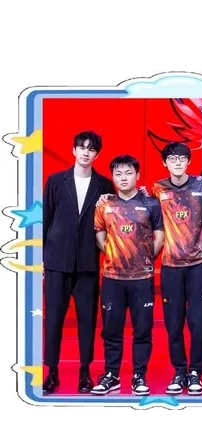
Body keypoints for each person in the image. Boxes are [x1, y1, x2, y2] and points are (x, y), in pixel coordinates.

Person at [42, 130, 115, 394]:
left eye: (91, 149)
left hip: (87, 263)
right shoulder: (56, 181)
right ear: (74, 150)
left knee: (87, 320)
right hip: (56, 262)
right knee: (53, 320)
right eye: (82, 147)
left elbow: (111, 221)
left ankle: (85, 372)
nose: (86, 152)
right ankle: (51, 372)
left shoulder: (105, 185)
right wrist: (43, 260)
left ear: (97, 154)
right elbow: (46, 219)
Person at [91, 155, 164, 395]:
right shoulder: (104, 204)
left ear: (137, 175)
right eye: (118, 174)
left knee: (142, 330)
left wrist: (144, 258)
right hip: (112, 278)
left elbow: (159, 238)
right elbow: (100, 233)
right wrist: (114, 254)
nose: (123, 178)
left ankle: (139, 376)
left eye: (128, 173)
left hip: (141, 279)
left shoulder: (151, 204)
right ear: (113, 177)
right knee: (111, 330)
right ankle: (111, 375)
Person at [151, 142, 202, 396]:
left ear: (189, 161)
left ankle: (196, 371)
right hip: (170, 266)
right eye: (172, 159)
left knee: (198, 322)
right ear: (164, 163)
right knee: (174, 323)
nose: (177, 162)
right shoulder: (157, 188)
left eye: (181, 158)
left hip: (199, 265)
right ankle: (180, 371)